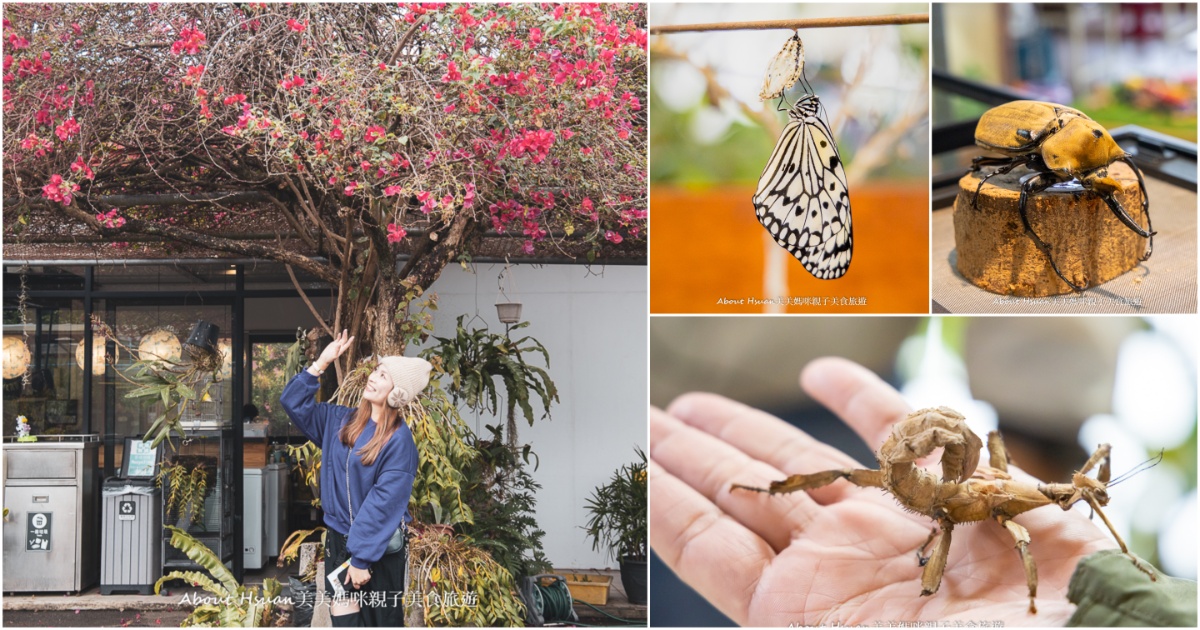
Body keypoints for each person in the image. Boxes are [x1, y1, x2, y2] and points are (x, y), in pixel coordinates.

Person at [650, 356, 1192, 627]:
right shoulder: (1008, 508)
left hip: (938, 498)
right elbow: (1020, 529)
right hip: (935, 498)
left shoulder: (1005, 494)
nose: (1082, 496)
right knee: (1013, 537)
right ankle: (763, 488)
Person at [282, 330, 431, 627]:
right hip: (340, 543)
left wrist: (361, 559)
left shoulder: (400, 442)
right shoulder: (340, 421)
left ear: (397, 392)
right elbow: (293, 403)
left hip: (378, 551)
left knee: (381, 622)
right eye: (376, 371)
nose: (373, 377)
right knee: (345, 622)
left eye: (384, 376)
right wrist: (321, 363)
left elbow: (384, 504)